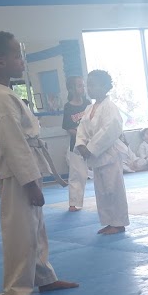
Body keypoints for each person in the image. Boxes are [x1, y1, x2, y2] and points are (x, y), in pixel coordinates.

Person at [0, 31, 77, 295]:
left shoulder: (5, 94)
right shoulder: (1, 98)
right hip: (16, 171)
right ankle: (16, 289)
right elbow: (13, 143)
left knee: (35, 228)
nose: (22, 60)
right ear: (0, 62)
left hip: (23, 166)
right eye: (17, 55)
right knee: (20, 231)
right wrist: (30, 183)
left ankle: (44, 277)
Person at [75, 70, 128, 234]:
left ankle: (119, 223)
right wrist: (81, 144)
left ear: (104, 87)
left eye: (92, 85)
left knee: (113, 188)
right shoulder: (89, 108)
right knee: (102, 191)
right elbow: (82, 129)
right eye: (87, 85)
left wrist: (90, 148)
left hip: (109, 153)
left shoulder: (110, 107)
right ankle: (109, 221)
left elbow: (110, 129)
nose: (89, 88)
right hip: (96, 155)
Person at [62, 75, 91, 212]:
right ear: (71, 89)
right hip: (77, 145)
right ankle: (73, 203)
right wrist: (82, 138)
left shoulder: (88, 104)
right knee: (77, 175)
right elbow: (69, 128)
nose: (82, 88)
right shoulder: (68, 107)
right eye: (79, 86)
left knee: (98, 171)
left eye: (83, 85)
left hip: (92, 143)